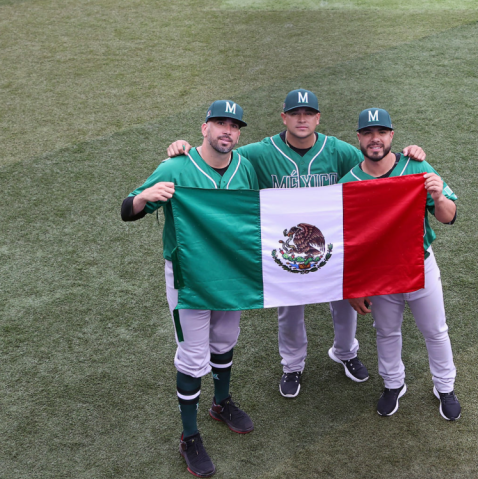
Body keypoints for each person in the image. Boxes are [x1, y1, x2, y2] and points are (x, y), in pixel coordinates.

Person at [166, 89, 427, 399]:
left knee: (344, 298)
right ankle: (292, 365)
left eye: (308, 113)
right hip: (286, 244)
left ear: (318, 118)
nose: (301, 118)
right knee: (289, 305)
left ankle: (345, 352)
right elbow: (222, 154)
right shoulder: (261, 153)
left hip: (331, 241)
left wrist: (410, 153)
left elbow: (377, 159)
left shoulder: (339, 150)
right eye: (295, 113)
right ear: (284, 117)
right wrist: (186, 148)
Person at [122, 100, 258, 478]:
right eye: (219, 123)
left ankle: (221, 402)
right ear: (204, 128)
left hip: (230, 273)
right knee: (193, 356)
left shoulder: (244, 168)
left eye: (233, 125)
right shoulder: (175, 166)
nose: (226, 131)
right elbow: (127, 210)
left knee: (227, 338)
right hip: (188, 277)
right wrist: (145, 197)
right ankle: (189, 436)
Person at [340, 108, 461, 421]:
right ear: (359, 139)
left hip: (420, 265)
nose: (375, 139)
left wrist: (438, 194)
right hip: (380, 273)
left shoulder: (415, 165)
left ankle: (445, 387)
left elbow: (448, 216)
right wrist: (354, 286)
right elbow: (348, 242)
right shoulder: (348, 183)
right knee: (386, 332)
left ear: (391, 136)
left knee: (435, 330)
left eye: (381, 132)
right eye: (368, 133)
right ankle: (393, 384)